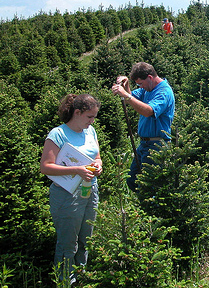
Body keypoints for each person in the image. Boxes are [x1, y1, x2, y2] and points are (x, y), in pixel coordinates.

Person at [40, 94, 102, 285]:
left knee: (86, 238)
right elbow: (46, 167)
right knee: (68, 242)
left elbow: (97, 157)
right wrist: (77, 170)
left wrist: (98, 166)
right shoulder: (58, 134)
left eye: (94, 117)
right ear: (77, 113)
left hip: (90, 191)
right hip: (67, 194)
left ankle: (81, 275)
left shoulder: (90, 132)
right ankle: (66, 279)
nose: (92, 121)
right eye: (89, 117)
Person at [112, 62, 175, 191]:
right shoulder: (147, 89)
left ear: (150, 77)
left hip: (157, 145)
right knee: (132, 180)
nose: (140, 87)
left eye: (140, 83)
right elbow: (134, 99)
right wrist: (126, 86)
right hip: (144, 145)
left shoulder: (163, 92)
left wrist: (126, 95)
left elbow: (148, 111)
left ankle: (149, 209)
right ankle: (140, 208)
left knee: (148, 185)